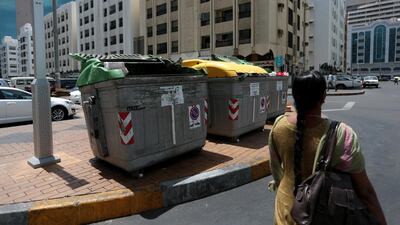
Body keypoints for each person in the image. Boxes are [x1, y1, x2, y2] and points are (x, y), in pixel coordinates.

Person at [268, 71, 387, 225]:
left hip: (284, 212)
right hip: (323, 216)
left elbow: (277, 171)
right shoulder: (342, 134)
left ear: (294, 96)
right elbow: (365, 192)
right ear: (323, 96)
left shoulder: (278, 125)